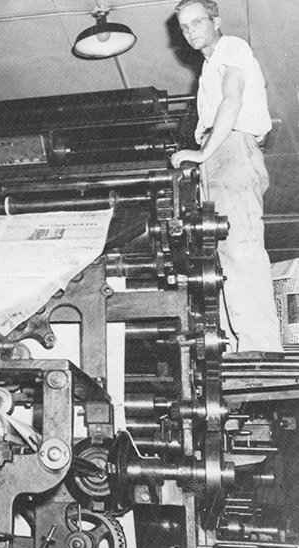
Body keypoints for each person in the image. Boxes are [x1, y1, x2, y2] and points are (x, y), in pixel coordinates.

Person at [170, 0, 283, 353]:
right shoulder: (208, 68)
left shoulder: (232, 47)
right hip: (218, 155)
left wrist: (203, 152)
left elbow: (231, 102)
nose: (190, 32)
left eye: (197, 22)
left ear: (215, 21)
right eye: (184, 27)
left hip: (231, 148)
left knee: (241, 248)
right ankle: (237, 348)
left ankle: (259, 348)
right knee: (220, 254)